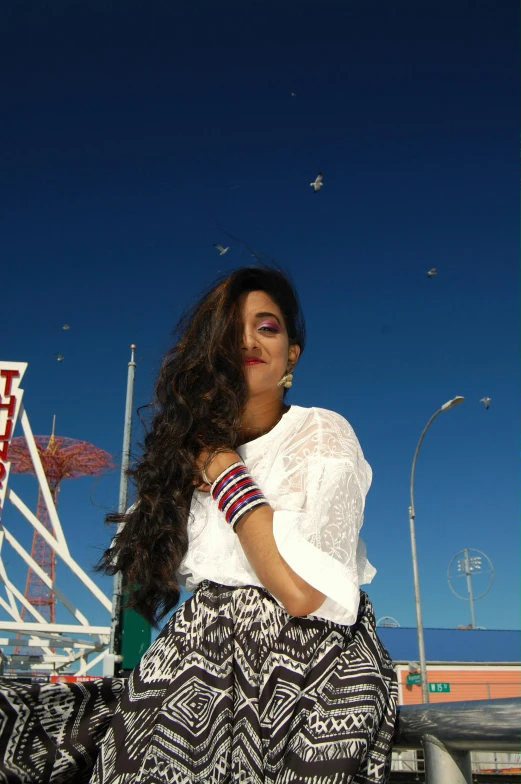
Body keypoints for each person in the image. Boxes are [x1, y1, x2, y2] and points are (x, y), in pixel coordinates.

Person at [90, 265, 398, 783]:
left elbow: (301, 592)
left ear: (291, 353)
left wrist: (224, 470)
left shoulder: (319, 431)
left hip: (307, 666)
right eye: (231, 331)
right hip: (192, 668)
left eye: (267, 326)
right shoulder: (191, 454)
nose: (249, 341)